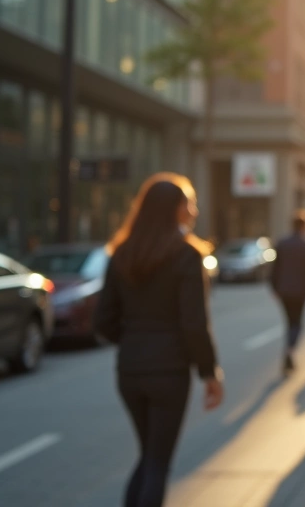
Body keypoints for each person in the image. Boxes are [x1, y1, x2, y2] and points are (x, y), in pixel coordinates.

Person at [94, 173, 223, 507]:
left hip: (131, 370)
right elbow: (194, 324)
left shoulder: (121, 253)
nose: (194, 211)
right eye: (189, 204)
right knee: (157, 461)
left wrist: (135, 339)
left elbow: (103, 320)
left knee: (150, 456)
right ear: (175, 209)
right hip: (169, 371)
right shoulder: (186, 255)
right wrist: (209, 373)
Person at [270, 210, 305, 372]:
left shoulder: (283, 243)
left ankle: (289, 351)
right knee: (297, 322)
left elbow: (275, 269)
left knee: (290, 322)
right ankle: (290, 350)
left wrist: (275, 288)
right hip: (300, 290)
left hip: (285, 290)